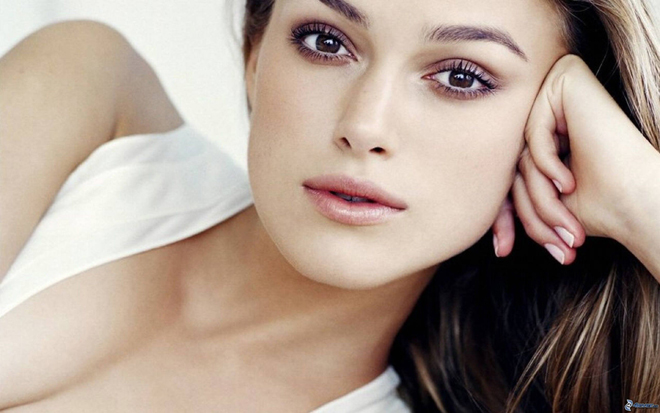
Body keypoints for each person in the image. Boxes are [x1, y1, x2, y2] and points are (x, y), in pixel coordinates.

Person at [1, 0, 659, 411]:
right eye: (325, 41)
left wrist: (639, 197)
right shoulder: (92, 97)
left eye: (461, 76)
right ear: (255, 55)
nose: (364, 125)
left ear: (555, 133)